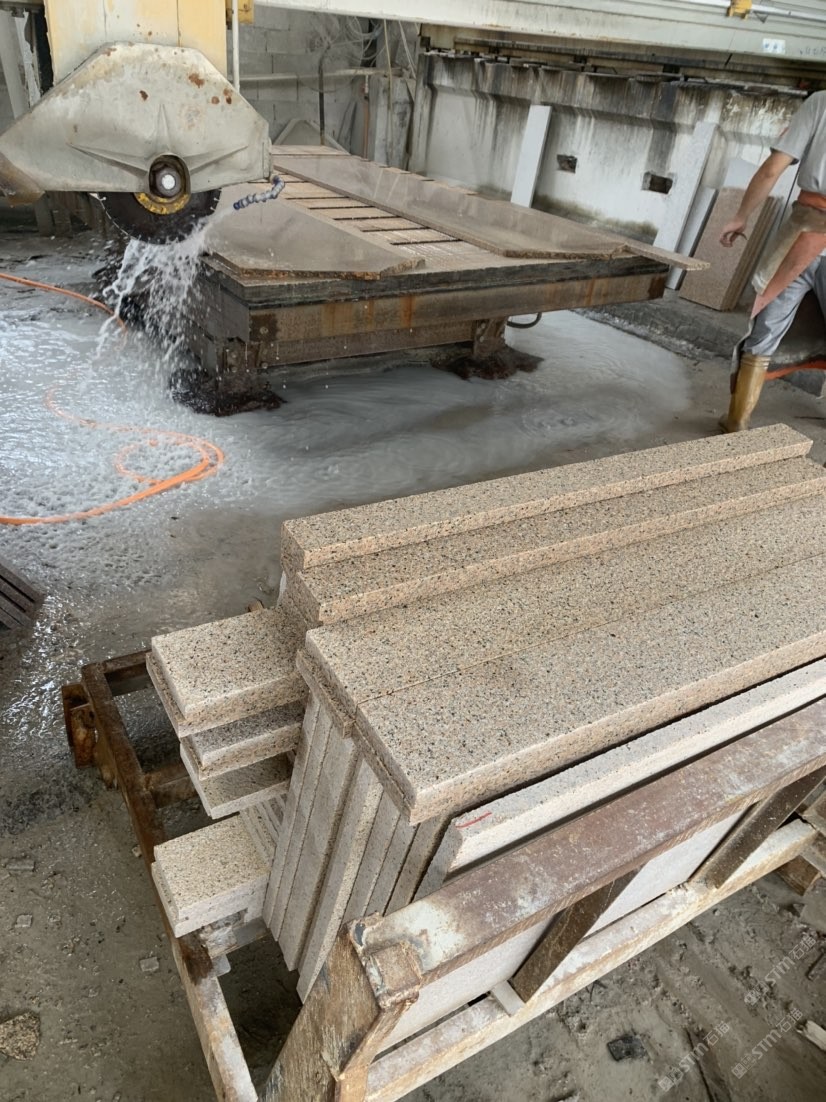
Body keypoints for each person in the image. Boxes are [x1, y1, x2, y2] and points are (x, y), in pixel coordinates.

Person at [719, 90, 826, 432]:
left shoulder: (820, 103)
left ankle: (737, 420)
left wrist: (741, 216)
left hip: (801, 237)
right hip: (806, 236)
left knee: (766, 330)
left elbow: (771, 170)